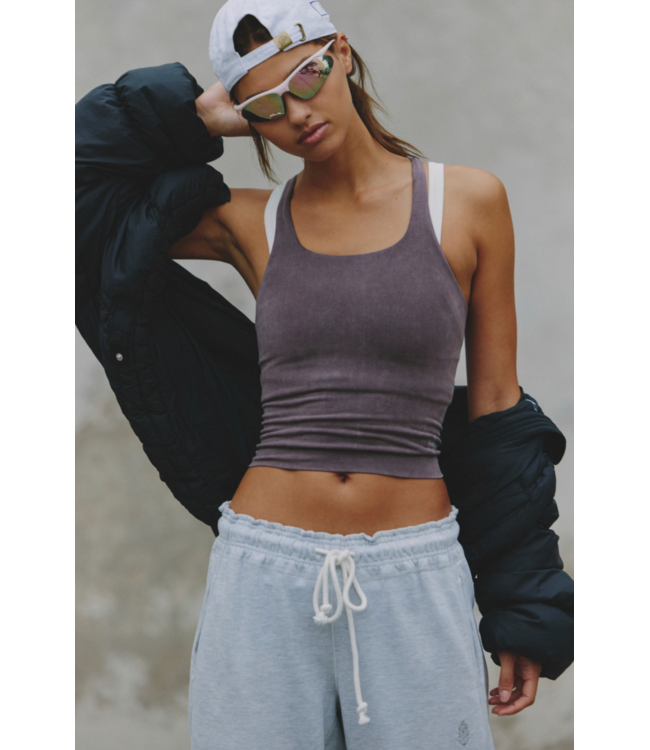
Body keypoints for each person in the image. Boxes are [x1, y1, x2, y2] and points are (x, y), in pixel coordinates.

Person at [74, 1, 574, 748]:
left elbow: (499, 410)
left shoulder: (468, 202)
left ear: (341, 52)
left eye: (305, 78)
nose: (297, 114)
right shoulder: (250, 223)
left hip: (415, 568)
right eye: (267, 107)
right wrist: (195, 114)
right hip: (265, 568)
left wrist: (523, 599)